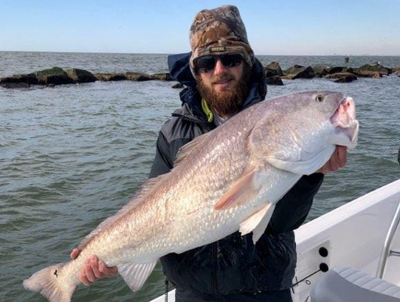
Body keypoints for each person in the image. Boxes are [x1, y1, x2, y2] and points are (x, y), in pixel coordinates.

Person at [71, 5, 347, 302]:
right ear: (195, 70)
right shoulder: (173, 133)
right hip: (192, 293)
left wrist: (310, 175)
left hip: (265, 290)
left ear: (247, 62)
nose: (219, 70)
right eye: (206, 62)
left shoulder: (275, 120)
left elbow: (281, 222)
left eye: (230, 58)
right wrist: (113, 254)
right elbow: (146, 206)